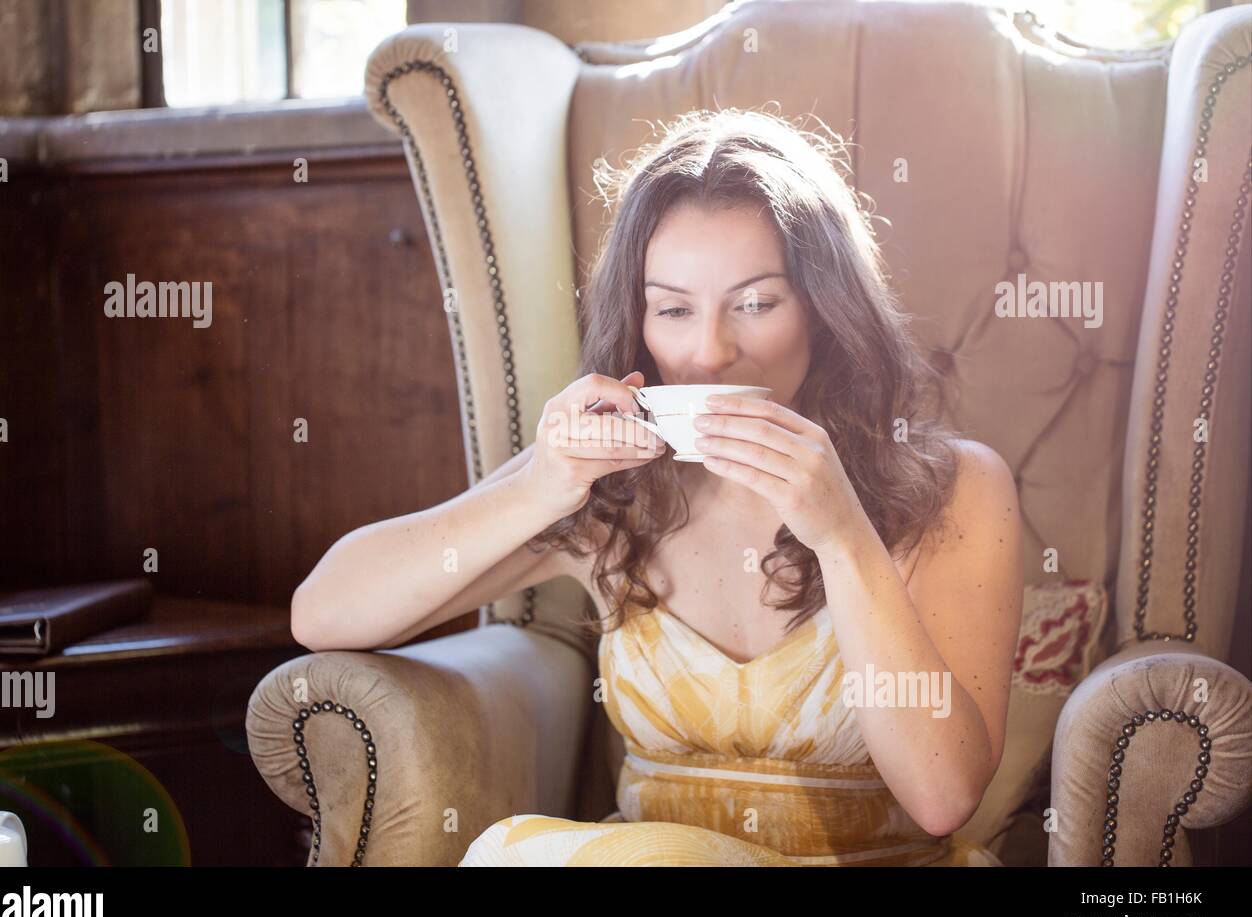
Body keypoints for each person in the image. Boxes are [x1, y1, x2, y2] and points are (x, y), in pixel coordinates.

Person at [292, 107, 1024, 866]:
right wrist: (537, 488)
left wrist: (843, 538)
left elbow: (943, 797)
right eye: (674, 309)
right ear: (639, 322)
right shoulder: (609, 486)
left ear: (825, 310)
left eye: (755, 303)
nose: (709, 352)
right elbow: (323, 613)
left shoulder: (951, 486)